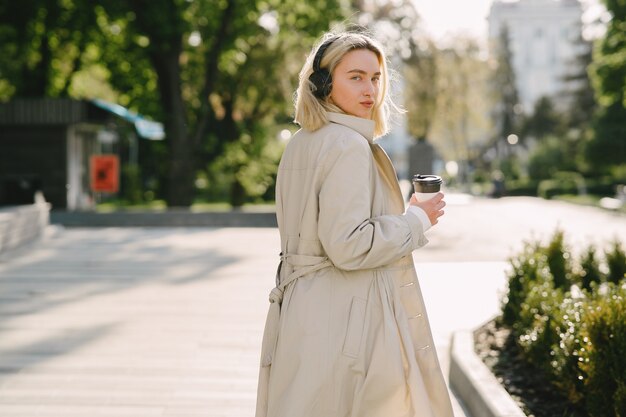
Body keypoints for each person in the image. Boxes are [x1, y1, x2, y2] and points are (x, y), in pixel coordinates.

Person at [256, 31, 454, 417]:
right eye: (355, 77)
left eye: (376, 77)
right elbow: (348, 245)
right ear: (323, 84)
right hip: (346, 318)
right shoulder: (347, 145)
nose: (370, 89)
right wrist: (416, 219)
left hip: (302, 313)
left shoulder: (303, 140)